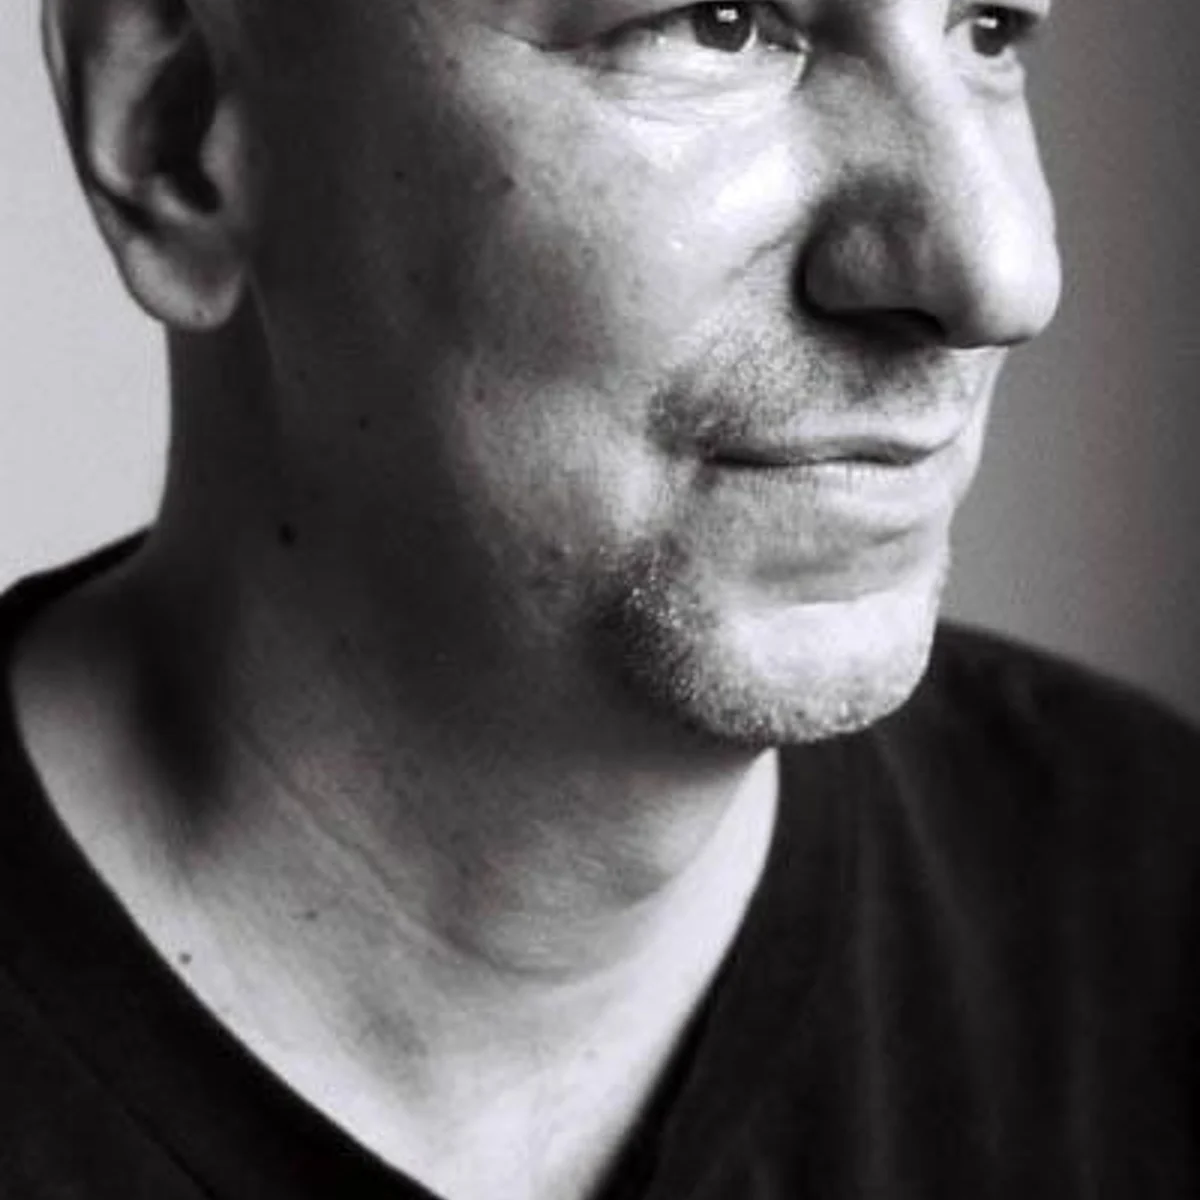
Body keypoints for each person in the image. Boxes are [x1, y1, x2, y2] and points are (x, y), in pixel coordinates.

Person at [2, 0, 1197, 1197]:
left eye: (988, 30)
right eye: (718, 25)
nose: (1000, 273)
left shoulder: (1153, 905)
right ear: (175, 126)